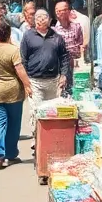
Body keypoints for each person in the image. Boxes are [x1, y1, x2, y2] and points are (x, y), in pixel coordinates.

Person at [0, 20, 33, 170]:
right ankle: (10, 154)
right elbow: (20, 70)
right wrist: (28, 86)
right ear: (9, 34)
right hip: (13, 92)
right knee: (14, 123)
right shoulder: (13, 50)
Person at [20, 9, 71, 138]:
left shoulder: (57, 37)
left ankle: (50, 138)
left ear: (49, 20)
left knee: (52, 112)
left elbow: (64, 57)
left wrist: (63, 75)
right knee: (36, 111)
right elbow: (23, 59)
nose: (41, 20)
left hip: (53, 81)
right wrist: (26, 82)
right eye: (39, 18)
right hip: (34, 81)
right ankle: (36, 139)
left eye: (44, 18)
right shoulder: (28, 36)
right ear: (35, 20)